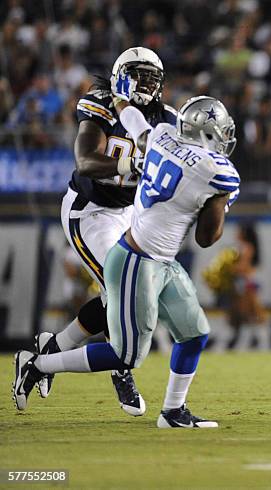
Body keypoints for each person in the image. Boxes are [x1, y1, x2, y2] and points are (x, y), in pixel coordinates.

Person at [13, 79, 239, 428]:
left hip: (157, 256)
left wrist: (121, 100)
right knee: (126, 353)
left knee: (194, 333)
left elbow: (134, 120)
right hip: (136, 258)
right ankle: (39, 363)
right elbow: (208, 238)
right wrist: (220, 201)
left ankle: (173, 412)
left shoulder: (161, 136)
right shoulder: (212, 171)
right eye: (219, 132)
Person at [32, 47, 177, 417]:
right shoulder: (100, 104)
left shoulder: (166, 118)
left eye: (152, 76)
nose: (147, 83)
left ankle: (50, 351)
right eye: (140, 74)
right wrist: (135, 163)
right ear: (122, 76)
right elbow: (86, 162)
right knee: (124, 290)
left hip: (129, 212)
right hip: (91, 211)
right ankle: (120, 368)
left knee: (131, 290)